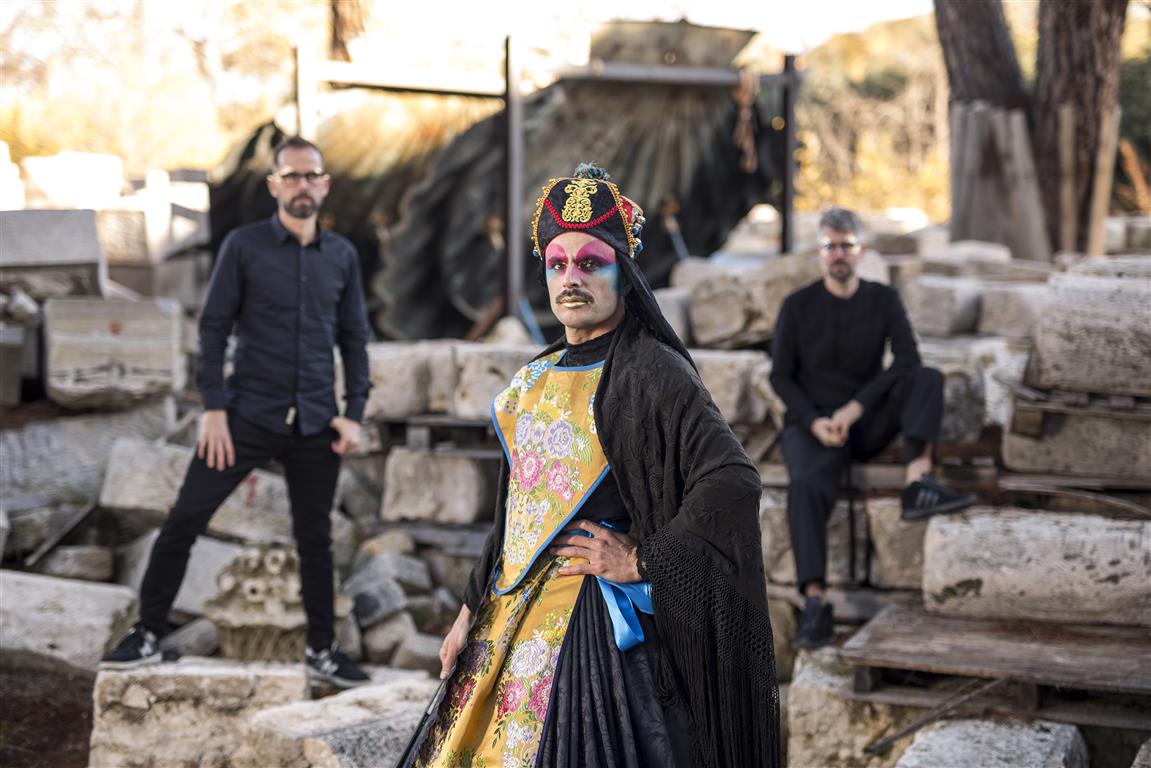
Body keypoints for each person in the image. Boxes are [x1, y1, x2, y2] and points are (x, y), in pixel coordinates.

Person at [400, 164, 780, 768]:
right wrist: (468, 614)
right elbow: (514, 516)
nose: (571, 279)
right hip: (505, 621)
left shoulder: (655, 372)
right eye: (557, 265)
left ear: (624, 274)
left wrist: (643, 560)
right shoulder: (532, 379)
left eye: (590, 263)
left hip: (593, 633)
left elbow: (733, 481)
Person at [101, 136, 372, 688]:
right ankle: (147, 632)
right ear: (274, 185)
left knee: (315, 541)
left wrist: (355, 413)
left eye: (310, 176)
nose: (301, 185)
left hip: (316, 423)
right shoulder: (244, 247)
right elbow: (213, 328)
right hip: (246, 416)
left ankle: (322, 650)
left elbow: (354, 340)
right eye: (290, 176)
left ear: (324, 185)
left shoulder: (342, 256)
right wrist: (214, 409)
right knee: (184, 520)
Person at [770, 206, 975, 651]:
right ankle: (815, 602)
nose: (838, 254)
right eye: (830, 246)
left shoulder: (883, 299)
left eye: (846, 245)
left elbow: (907, 359)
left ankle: (918, 482)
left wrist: (856, 408)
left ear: (861, 250)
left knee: (926, 377)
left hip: (864, 421)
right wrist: (815, 421)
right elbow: (780, 377)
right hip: (813, 424)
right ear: (820, 252)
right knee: (805, 485)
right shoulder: (797, 305)